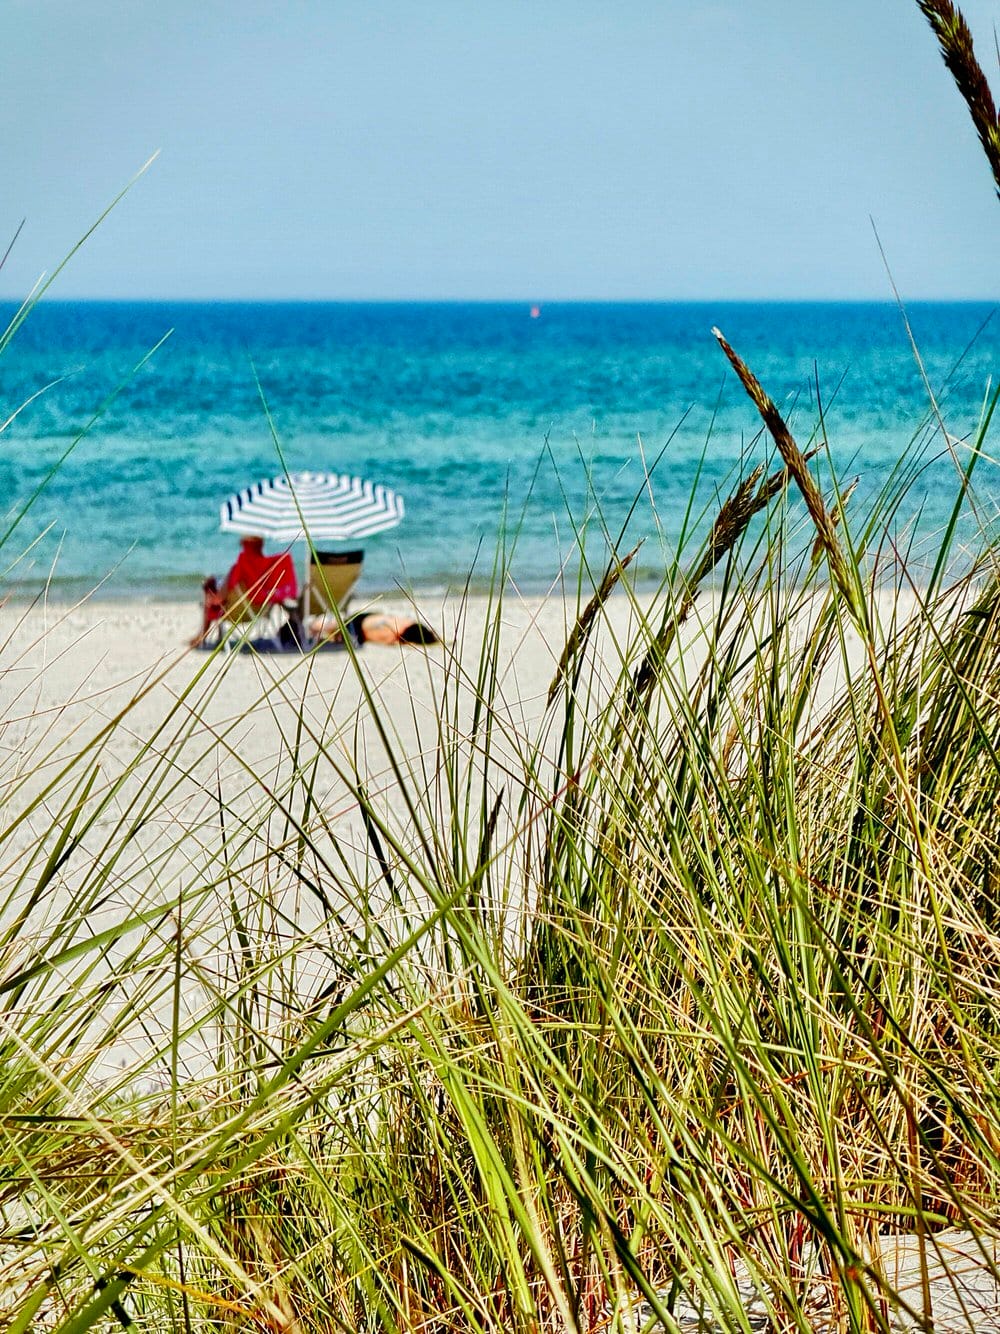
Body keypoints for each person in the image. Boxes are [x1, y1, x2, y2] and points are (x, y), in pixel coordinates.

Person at [191, 535, 300, 647]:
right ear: (260, 546)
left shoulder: (240, 568)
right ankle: (203, 636)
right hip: (262, 610)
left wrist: (209, 601)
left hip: (236, 613)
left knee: (211, 587)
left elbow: (219, 599)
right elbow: (281, 592)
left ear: (244, 546)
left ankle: (202, 636)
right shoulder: (270, 567)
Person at [308, 610, 440, 647]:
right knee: (332, 628)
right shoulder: (394, 634)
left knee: (333, 625)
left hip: (368, 616)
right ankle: (313, 627)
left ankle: (312, 626)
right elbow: (371, 636)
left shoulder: (406, 622)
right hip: (360, 627)